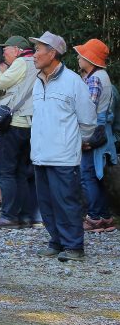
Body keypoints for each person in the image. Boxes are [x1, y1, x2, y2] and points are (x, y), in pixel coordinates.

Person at [29, 32, 96, 262]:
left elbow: (88, 121)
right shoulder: (37, 81)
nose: (34, 55)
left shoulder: (73, 82)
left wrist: (72, 142)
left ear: (53, 53)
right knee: (46, 203)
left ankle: (74, 246)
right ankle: (57, 241)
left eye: (38, 50)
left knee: (66, 202)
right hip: (40, 155)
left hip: (64, 157)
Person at [0, 35, 41, 228]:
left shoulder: (22, 61)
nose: (2, 53)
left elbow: (0, 83)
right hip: (31, 125)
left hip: (15, 123)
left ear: (16, 49)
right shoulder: (36, 62)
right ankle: (24, 215)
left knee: (6, 171)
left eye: (5, 49)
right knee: (22, 172)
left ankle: (8, 216)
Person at [74, 39, 117, 232]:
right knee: (98, 176)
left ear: (89, 59)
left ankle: (94, 217)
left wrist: (82, 138)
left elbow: (88, 110)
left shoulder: (95, 79)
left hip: (93, 132)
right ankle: (105, 217)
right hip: (103, 132)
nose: (78, 57)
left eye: (82, 55)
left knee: (88, 175)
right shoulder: (103, 76)